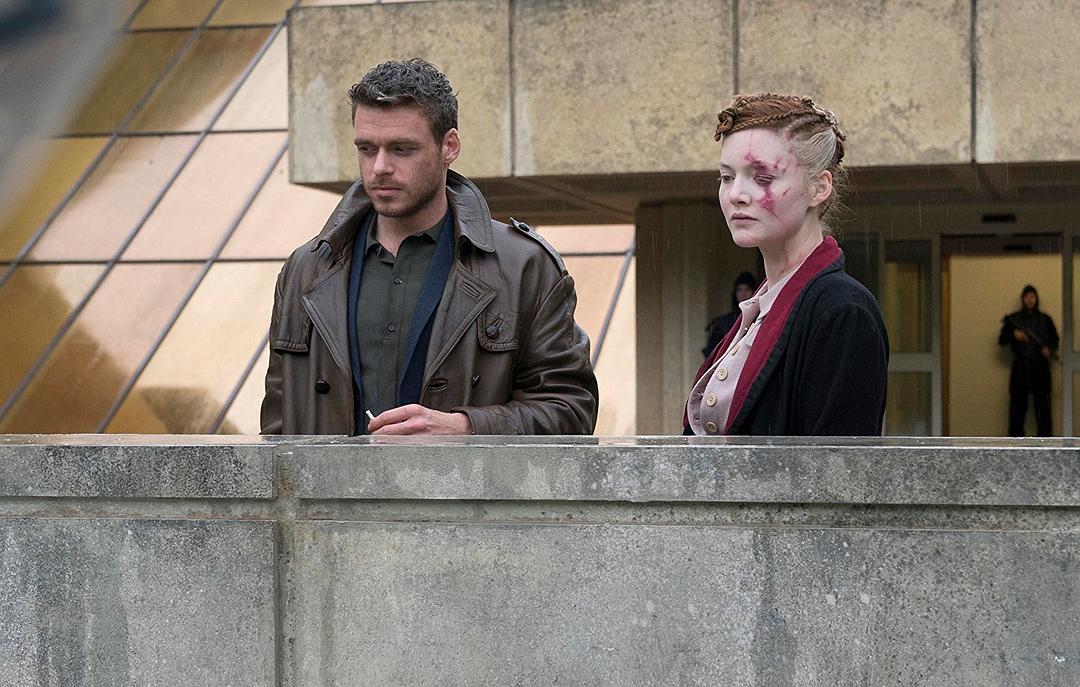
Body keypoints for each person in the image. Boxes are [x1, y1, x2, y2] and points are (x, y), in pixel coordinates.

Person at [261, 58, 598, 435]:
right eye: (367, 149)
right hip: (329, 478)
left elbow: (572, 410)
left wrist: (466, 429)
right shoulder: (305, 270)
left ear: (449, 146)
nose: (379, 167)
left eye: (401, 149)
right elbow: (277, 428)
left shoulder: (524, 267)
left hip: (466, 477)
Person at [684, 94, 888, 436]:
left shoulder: (843, 310)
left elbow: (837, 464)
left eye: (762, 178)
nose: (735, 194)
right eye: (726, 177)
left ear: (819, 187)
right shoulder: (763, 306)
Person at [998, 285, 1058, 436]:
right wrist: (1014, 335)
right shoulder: (1015, 319)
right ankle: (1015, 445)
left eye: (1032, 297)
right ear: (1023, 299)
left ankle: (1046, 445)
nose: (1030, 300)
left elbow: (1054, 339)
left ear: (1036, 298)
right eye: (1027, 297)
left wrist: (1049, 350)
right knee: (1017, 411)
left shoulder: (1045, 320)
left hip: (1040, 368)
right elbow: (1002, 339)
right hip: (1021, 367)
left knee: (1043, 409)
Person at [703, 271, 759, 358]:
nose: (743, 294)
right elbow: (712, 353)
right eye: (739, 290)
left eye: (747, 289)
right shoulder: (723, 323)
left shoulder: (760, 318)